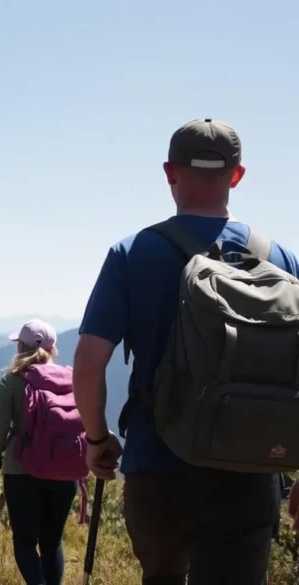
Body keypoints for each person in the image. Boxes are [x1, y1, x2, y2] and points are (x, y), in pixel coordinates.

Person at [73, 118, 299, 585]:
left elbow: (90, 363)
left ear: (169, 172)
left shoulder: (132, 252)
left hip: (159, 468)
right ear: (237, 176)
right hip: (253, 467)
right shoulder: (281, 260)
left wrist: (98, 440)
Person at [0, 320, 76, 585]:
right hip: (64, 469)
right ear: (53, 348)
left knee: (25, 543)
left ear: (21, 347)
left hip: (21, 468)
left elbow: (0, 425)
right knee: (52, 542)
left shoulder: (12, 380)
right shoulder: (71, 377)